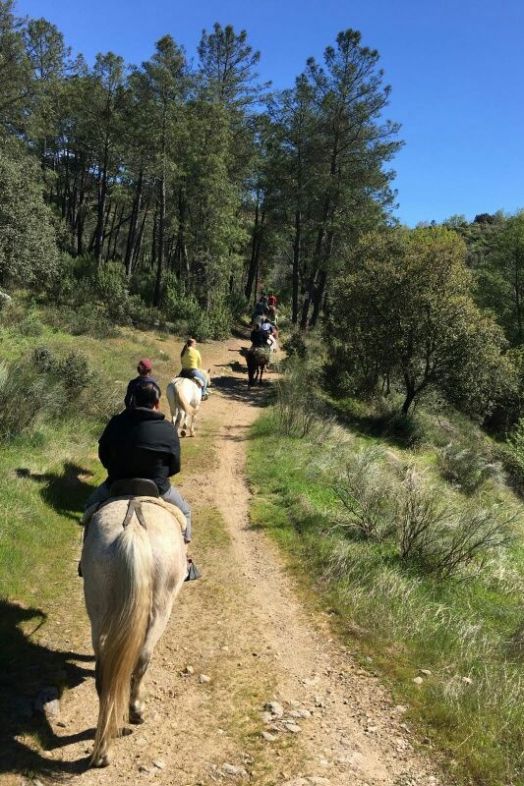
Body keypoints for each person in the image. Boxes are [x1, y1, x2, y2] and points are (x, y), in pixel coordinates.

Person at [84, 382, 193, 545]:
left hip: (117, 484)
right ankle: (185, 558)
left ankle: (85, 557)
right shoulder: (168, 429)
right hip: (158, 487)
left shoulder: (116, 423)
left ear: (132, 401)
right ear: (157, 403)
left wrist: (115, 469)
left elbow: (103, 455)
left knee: (89, 508)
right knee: (185, 512)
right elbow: (174, 466)